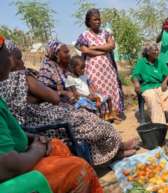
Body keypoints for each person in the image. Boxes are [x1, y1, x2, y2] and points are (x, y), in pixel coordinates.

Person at [0, 38, 109, 193]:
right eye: (9, 54)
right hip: (10, 185)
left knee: (57, 145)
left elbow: (10, 129)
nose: (14, 60)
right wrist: (36, 149)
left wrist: (31, 138)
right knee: (80, 169)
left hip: (23, 145)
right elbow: (6, 166)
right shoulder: (24, 77)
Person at [0, 37, 137, 166]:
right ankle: (117, 150)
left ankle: (116, 150)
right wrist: (57, 94)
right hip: (43, 122)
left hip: (29, 125)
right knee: (90, 120)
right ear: (9, 58)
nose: (22, 62)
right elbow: (53, 97)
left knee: (85, 115)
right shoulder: (21, 77)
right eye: (19, 58)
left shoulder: (3, 83)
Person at [75, 8, 125, 120]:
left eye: (99, 19)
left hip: (108, 69)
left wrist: (95, 47)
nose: (98, 21)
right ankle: (102, 116)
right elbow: (86, 51)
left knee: (112, 89)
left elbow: (112, 46)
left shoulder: (106, 33)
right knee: (97, 91)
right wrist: (104, 50)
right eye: (95, 19)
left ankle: (113, 114)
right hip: (93, 71)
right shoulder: (84, 35)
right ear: (88, 21)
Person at [132, 42, 168, 124]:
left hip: (159, 86)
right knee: (153, 98)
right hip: (147, 87)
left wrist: (165, 81)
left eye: (157, 50)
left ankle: (163, 112)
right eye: (154, 50)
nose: (157, 52)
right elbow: (135, 75)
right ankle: (159, 122)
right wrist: (136, 83)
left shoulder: (160, 61)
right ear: (148, 52)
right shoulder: (141, 62)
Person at [66, 55, 120, 121]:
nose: (83, 70)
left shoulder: (83, 76)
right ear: (73, 68)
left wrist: (93, 94)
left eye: (84, 68)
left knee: (108, 97)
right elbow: (75, 93)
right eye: (81, 68)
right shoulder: (70, 79)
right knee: (91, 105)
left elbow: (88, 87)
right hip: (82, 98)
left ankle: (110, 114)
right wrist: (87, 96)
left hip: (90, 96)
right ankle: (99, 120)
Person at [38, 40, 76, 104]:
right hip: (53, 104)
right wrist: (63, 93)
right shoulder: (47, 68)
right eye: (65, 52)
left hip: (68, 101)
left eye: (68, 52)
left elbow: (73, 87)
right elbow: (43, 93)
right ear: (56, 54)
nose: (69, 55)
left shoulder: (65, 67)